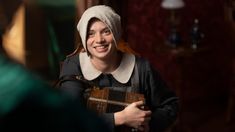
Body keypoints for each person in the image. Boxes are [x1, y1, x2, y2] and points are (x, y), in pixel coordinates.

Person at [59, 5, 179, 132]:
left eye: (106, 31)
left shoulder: (142, 68)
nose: (99, 40)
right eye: (90, 34)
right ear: (83, 38)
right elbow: (70, 118)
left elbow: (171, 105)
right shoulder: (73, 66)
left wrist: (148, 123)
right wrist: (120, 118)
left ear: (116, 33)